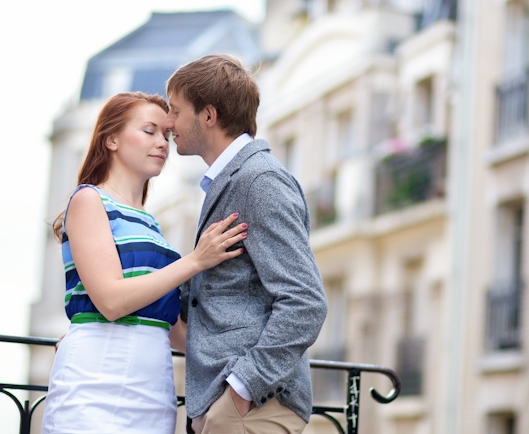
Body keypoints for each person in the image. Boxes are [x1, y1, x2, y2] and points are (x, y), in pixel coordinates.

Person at [41, 91, 248, 434]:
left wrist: (249, 348)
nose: (163, 143)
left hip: (153, 385)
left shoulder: (150, 223)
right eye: (149, 131)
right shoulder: (89, 200)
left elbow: (171, 328)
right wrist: (196, 260)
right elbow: (110, 301)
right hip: (95, 380)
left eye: (166, 135)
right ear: (111, 139)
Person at [164, 54, 328, 434]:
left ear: (208, 115)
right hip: (229, 406)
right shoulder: (232, 180)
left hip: (252, 406)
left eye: (175, 110)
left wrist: (242, 388)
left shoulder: (259, 181)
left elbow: (306, 302)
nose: (167, 123)